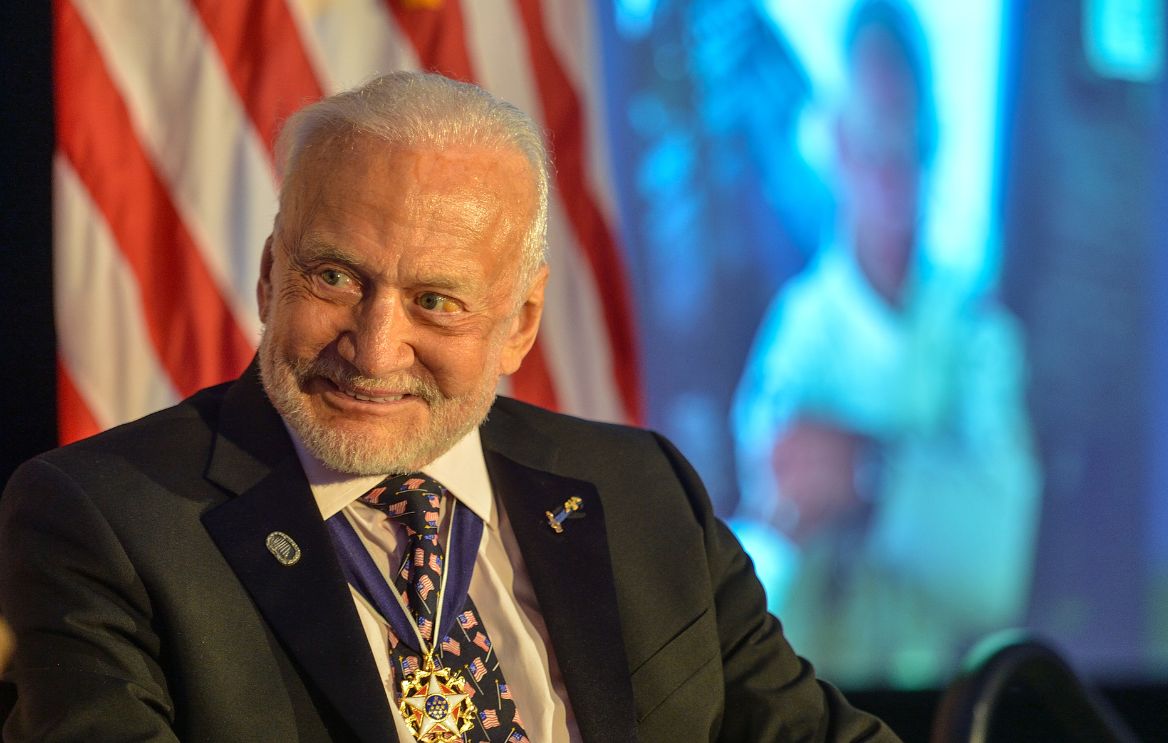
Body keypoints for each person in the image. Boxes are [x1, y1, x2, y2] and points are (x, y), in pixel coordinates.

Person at [0, 72, 898, 742]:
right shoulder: (104, 521)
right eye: (334, 277)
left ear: (521, 324)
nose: (375, 346)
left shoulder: (638, 489)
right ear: (272, 274)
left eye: (436, 300)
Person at [732, 0, 1040, 689]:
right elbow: (772, 536)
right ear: (839, 144)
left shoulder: (979, 333)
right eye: (876, 144)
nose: (894, 175)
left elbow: (997, 561)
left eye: (911, 142)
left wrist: (864, 472)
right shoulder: (797, 335)